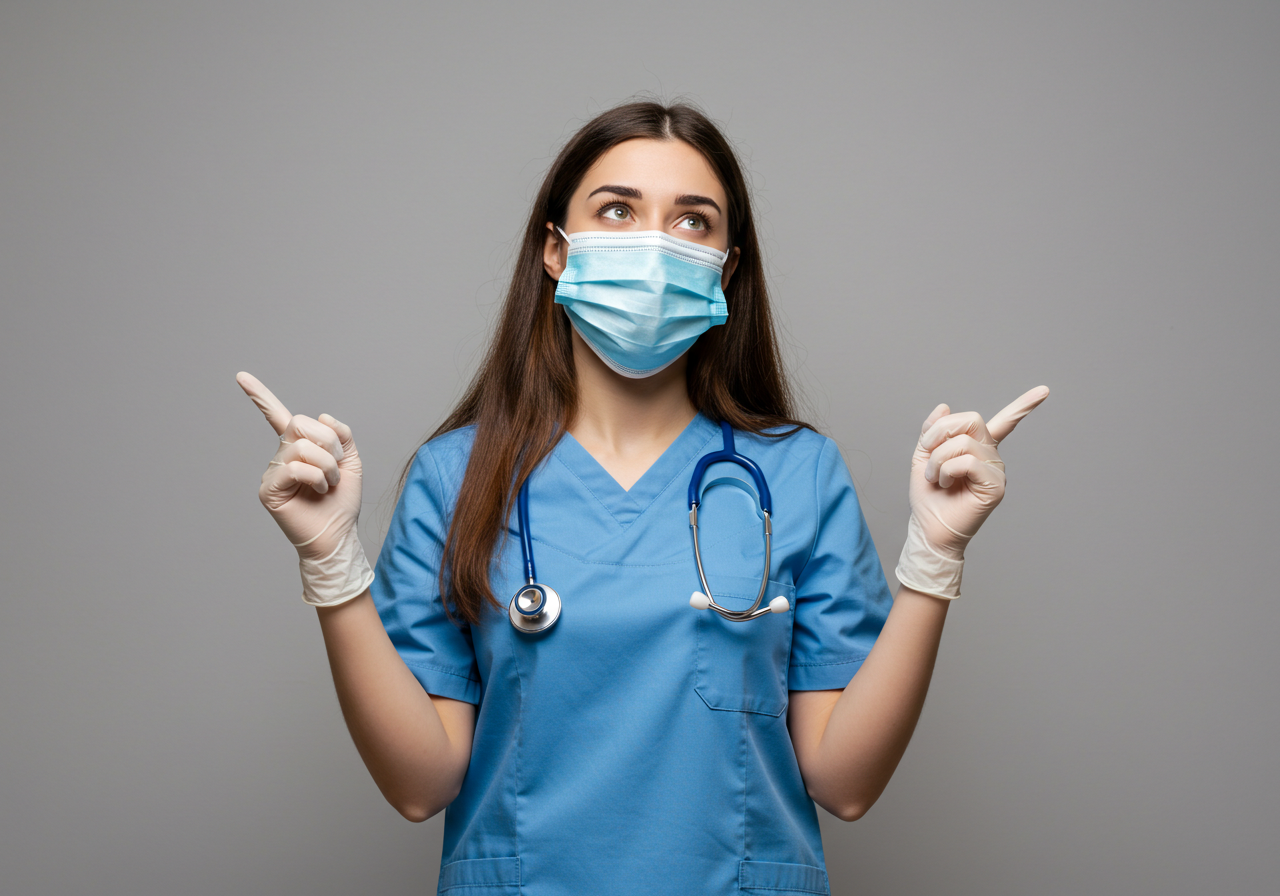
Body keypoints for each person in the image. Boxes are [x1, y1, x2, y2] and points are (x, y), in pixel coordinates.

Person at [237, 101, 1047, 896]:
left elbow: (846, 782)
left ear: (727, 267)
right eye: (617, 210)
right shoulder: (458, 478)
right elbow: (420, 784)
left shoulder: (798, 474)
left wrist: (935, 556)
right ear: (555, 250)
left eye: (693, 221)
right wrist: (331, 564)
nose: (654, 243)